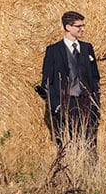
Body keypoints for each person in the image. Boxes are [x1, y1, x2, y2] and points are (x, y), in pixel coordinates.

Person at [40, 11, 101, 162]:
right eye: (78, 26)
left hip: (86, 102)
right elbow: (47, 81)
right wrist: (56, 106)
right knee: (66, 142)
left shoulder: (87, 48)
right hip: (65, 102)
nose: (82, 29)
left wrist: (95, 101)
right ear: (68, 27)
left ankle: (90, 174)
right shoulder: (53, 51)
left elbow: (95, 76)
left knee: (89, 141)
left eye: (83, 25)